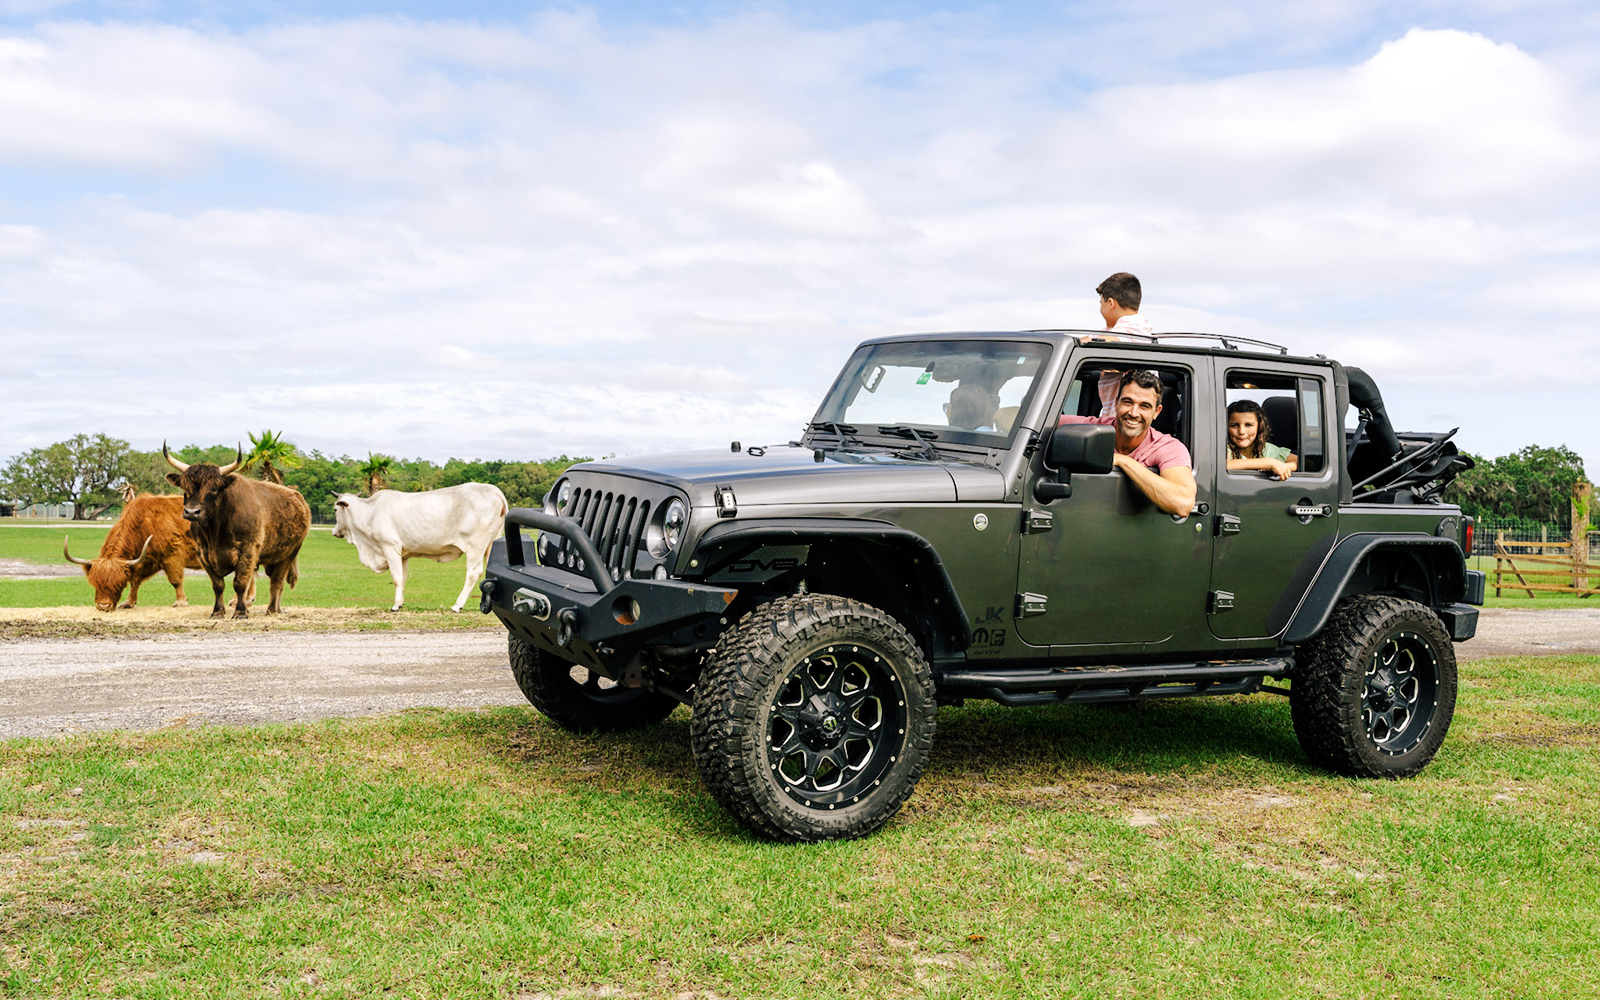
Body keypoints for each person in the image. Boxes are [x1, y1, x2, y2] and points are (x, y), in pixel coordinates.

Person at [1062, 369, 1196, 516]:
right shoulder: (1092, 427)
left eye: (1144, 406)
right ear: (1116, 403)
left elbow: (1183, 504)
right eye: (1127, 402)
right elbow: (1038, 426)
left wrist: (1123, 461)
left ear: (1156, 412)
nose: (1133, 413)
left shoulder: (1167, 447)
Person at [1090, 272, 1152, 417]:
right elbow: (1092, 338)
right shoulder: (1118, 330)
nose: (1101, 310)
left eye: (1101, 304)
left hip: (1126, 421)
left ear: (1111, 303)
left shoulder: (1136, 327)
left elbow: (1101, 343)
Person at [1226, 399, 1297, 481]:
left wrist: (1284, 467)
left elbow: (1301, 462)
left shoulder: (1267, 449)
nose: (1241, 431)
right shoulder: (1225, 449)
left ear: (1259, 427)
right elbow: (1225, 465)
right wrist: (1269, 463)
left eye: (1248, 425)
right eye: (1234, 425)